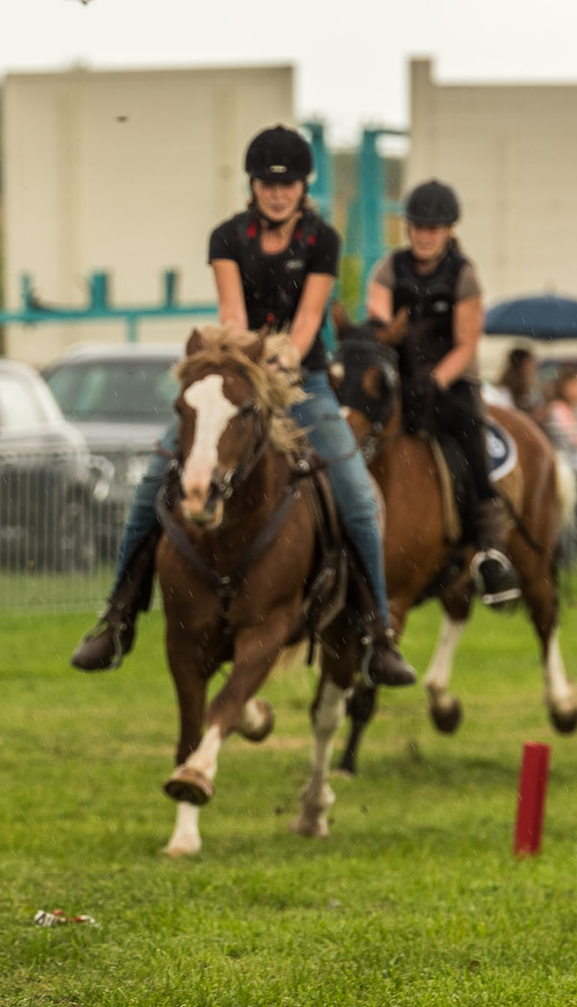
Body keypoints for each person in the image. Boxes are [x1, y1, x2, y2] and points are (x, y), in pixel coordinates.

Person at [71, 126, 418, 687]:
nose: (276, 194)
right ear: (252, 186)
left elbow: (308, 320)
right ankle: (116, 618)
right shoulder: (226, 238)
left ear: (303, 188)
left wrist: (282, 362)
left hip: (303, 384)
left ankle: (377, 633)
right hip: (238, 379)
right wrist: (250, 369)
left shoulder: (321, 240)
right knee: (151, 484)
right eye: (266, 184)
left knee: (355, 492)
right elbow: (232, 313)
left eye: (287, 185)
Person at [365, 179, 521, 609]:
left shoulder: (464, 275)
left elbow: (467, 343)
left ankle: (490, 553)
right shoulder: (387, 269)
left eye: (433, 228)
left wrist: (431, 382)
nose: (424, 235)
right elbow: (379, 323)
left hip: (451, 383)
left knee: (472, 447)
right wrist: (400, 373)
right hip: (399, 376)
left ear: (449, 230)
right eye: (417, 226)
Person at [496, 348, 539, 414]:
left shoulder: (527, 391)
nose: (534, 368)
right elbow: (508, 415)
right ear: (523, 365)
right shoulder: (504, 392)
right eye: (531, 363)